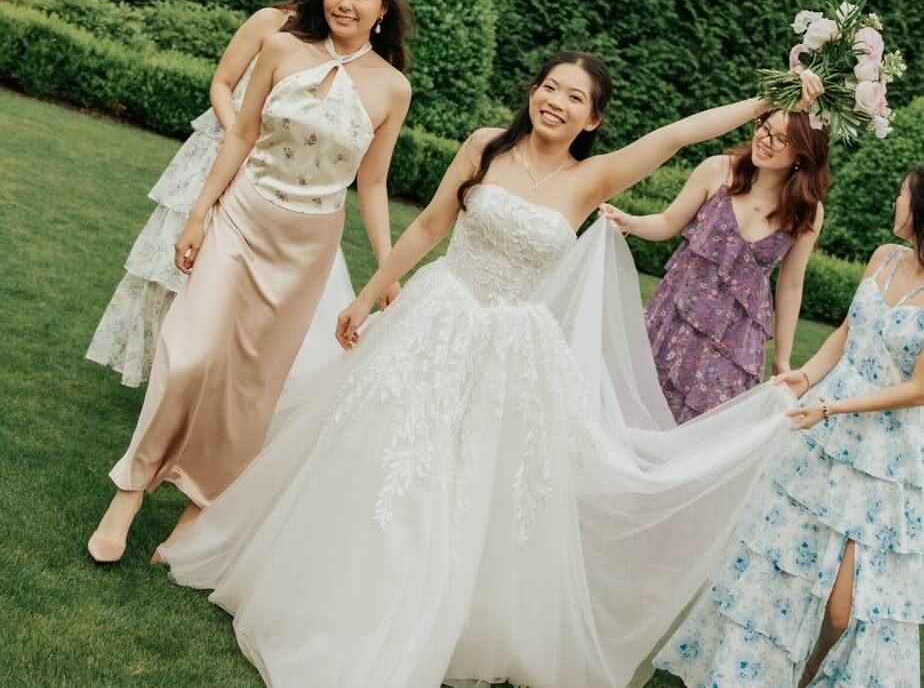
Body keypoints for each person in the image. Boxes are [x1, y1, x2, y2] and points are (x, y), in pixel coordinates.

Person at [162, 52, 822, 688]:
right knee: (386, 458)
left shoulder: (592, 179)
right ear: (532, 92)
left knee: (464, 483)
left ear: (593, 119)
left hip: (511, 350)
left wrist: (774, 100)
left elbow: (677, 135)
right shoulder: (485, 147)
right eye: (550, 87)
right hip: (436, 319)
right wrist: (369, 294)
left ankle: (421, 614)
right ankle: (329, 586)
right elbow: (429, 227)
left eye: (575, 97)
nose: (556, 102)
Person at [87, 0, 412, 565]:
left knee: (250, 387)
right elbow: (240, 132)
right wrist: (198, 213)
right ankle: (128, 493)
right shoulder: (283, 48)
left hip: (308, 248)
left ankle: (197, 510)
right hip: (241, 216)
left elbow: (372, 184)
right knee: (189, 354)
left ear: (383, 9)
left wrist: (387, 269)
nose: (345, 2)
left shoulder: (393, 88)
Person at [654, 165, 924, 687]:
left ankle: (814, 671)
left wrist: (833, 407)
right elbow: (846, 333)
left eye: (902, 194)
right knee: (781, 557)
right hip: (826, 431)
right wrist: (806, 376)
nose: (896, 202)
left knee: (847, 608)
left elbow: (919, 390)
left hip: (884, 459)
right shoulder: (884, 258)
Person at [85, 0, 352, 387]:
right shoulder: (271, 21)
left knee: (230, 277)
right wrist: (233, 131)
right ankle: (164, 371)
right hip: (217, 152)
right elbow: (222, 83)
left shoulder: (337, 51)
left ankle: (205, 376)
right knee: (173, 265)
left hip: (270, 175)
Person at [601, 108, 830, 421]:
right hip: (677, 314)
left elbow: (790, 285)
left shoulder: (807, 211)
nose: (765, 140)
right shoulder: (719, 170)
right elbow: (668, 222)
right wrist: (629, 221)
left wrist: (782, 359)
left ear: (802, 154)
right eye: (764, 128)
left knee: (702, 426)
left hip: (735, 339)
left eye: (781, 139)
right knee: (638, 407)